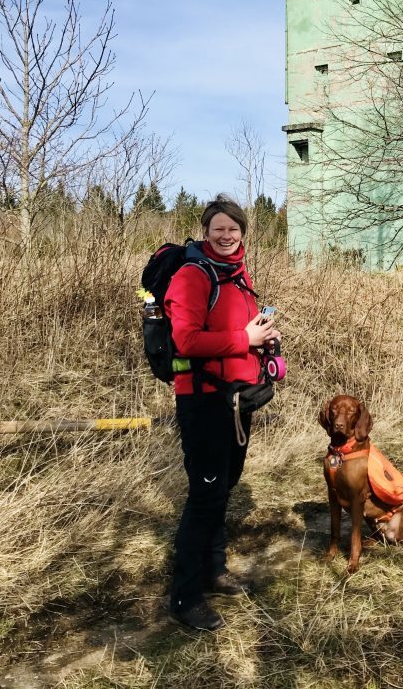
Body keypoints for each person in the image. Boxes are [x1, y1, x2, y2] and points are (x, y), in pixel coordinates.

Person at [165, 194, 281, 632]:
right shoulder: (193, 276)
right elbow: (187, 342)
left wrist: (263, 339)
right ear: (206, 231)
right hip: (205, 402)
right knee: (205, 495)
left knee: (226, 485)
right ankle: (185, 597)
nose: (227, 235)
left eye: (233, 229)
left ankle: (214, 570)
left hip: (238, 399)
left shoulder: (237, 274)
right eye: (219, 228)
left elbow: (241, 332)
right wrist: (243, 339)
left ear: (243, 233)